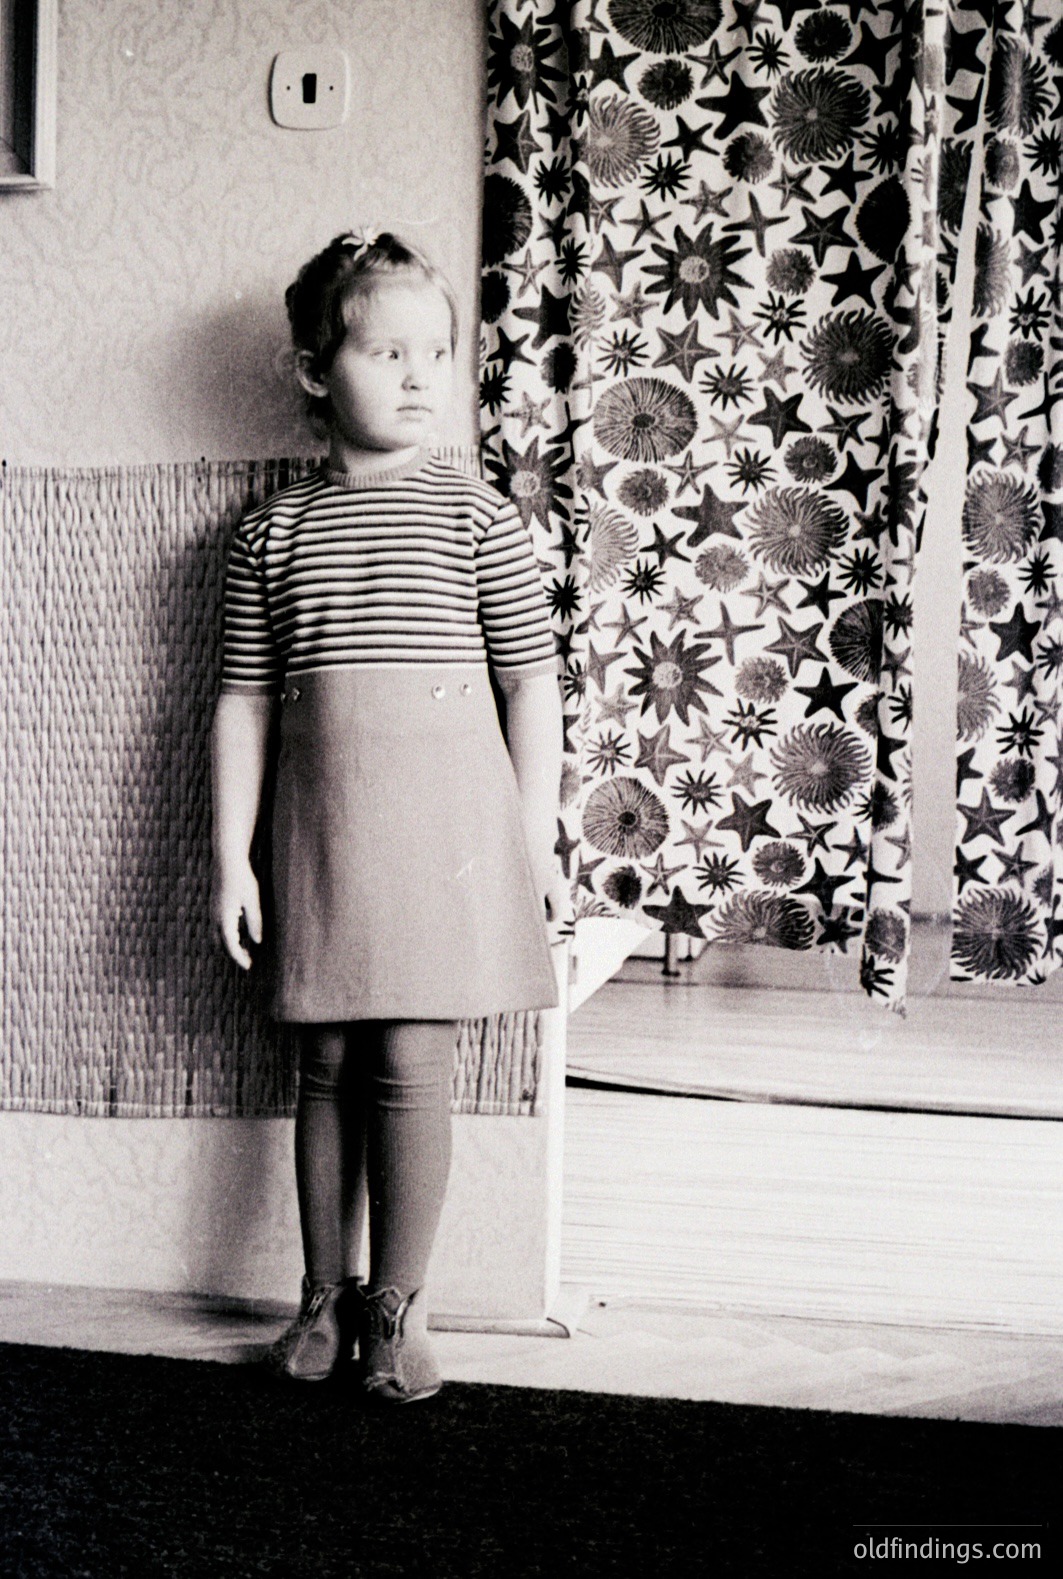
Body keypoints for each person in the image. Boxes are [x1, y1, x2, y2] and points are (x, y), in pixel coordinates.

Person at [210, 230, 563, 1403]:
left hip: (443, 840)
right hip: (321, 836)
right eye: (385, 350)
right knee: (324, 1061)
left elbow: (530, 681)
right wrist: (231, 860)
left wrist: (532, 837)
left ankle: (398, 1307)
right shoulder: (272, 532)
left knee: (412, 1058)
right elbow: (244, 700)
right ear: (317, 368)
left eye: (437, 353)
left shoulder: (477, 515)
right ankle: (320, 1293)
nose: (419, 376)